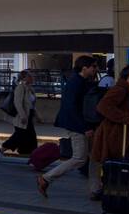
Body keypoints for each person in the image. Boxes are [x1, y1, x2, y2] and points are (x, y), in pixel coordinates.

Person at [37, 55, 99, 197]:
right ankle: (46, 178)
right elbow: (72, 108)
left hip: (84, 125)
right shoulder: (75, 83)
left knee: (95, 156)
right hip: (77, 126)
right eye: (94, 67)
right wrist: (85, 128)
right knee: (79, 158)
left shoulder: (83, 81)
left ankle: (95, 189)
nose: (96, 69)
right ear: (85, 68)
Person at [88, 62, 129, 202]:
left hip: (118, 132)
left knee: (105, 160)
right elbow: (103, 106)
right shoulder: (120, 89)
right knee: (105, 159)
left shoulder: (124, 90)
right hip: (112, 133)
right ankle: (102, 190)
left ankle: (104, 189)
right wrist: (127, 118)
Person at [0, 70, 38, 155]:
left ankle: (27, 154)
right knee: (19, 136)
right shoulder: (20, 88)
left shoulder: (30, 89)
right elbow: (18, 103)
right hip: (22, 117)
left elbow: (32, 104)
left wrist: (37, 115)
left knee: (29, 137)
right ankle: (1, 150)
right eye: (30, 76)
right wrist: (23, 116)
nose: (32, 78)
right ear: (24, 78)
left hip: (29, 116)